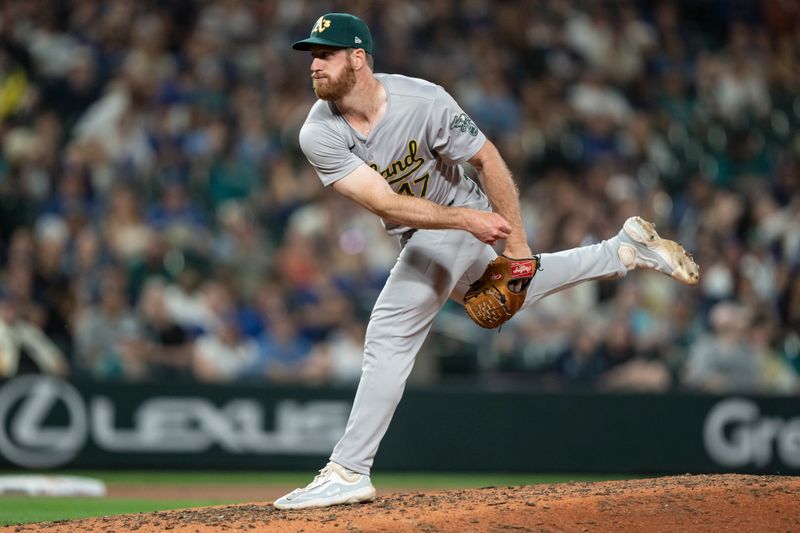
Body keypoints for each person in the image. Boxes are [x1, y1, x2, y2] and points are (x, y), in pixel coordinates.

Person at [274, 13, 699, 510]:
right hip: (436, 225)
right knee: (499, 299)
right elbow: (385, 204)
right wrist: (473, 229)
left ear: (359, 58)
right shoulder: (317, 132)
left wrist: (514, 245)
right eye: (312, 55)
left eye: (325, 53)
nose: (315, 65)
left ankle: (349, 470)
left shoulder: (424, 100)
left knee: (390, 330)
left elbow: (487, 160)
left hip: (462, 217)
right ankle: (621, 250)